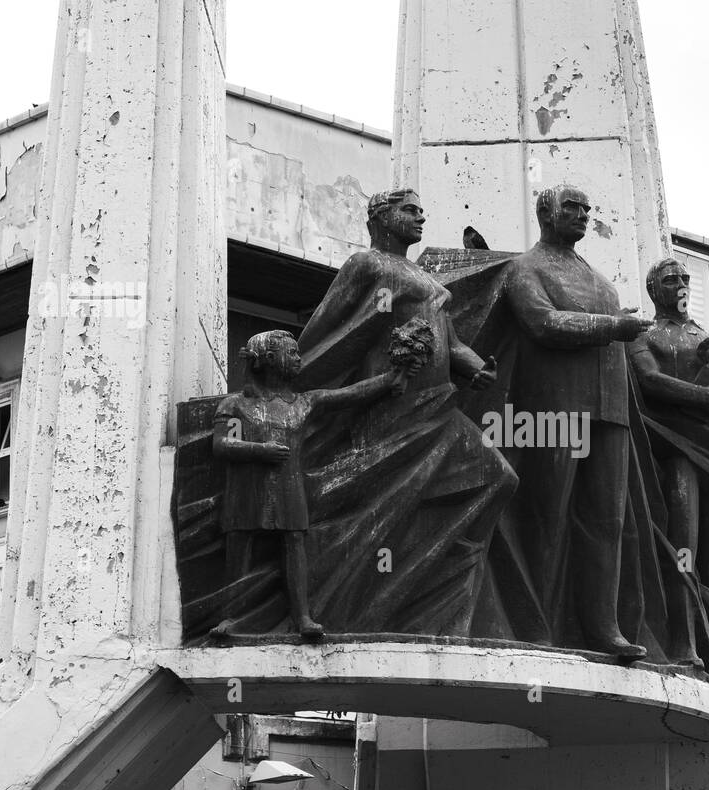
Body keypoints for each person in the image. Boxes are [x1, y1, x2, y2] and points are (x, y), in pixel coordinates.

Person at [293, 188, 516, 636]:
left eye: (421, 210)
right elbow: (328, 326)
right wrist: (290, 373)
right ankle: (364, 590)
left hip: (436, 406)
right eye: (410, 210)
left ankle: (436, 580)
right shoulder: (367, 265)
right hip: (391, 406)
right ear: (380, 217)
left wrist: (473, 366)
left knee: (498, 479)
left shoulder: (420, 275)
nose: (420, 217)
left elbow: (448, 340)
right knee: (384, 502)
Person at [498, 184, 655, 658]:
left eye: (588, 209)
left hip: (610, 411)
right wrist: (614, 327)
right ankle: (537, 624)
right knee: (549, 515)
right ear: (546, 212)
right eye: (573, 207)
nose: (584, 215)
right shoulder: (526, 268)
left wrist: (620, 326)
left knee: (608, 520)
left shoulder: (600, 278)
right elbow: (542, 322)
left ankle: (602, 626)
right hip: (555, 409)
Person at [210, 329, 406, 640]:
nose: (299, 358)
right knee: (240, 544)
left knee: (295, 543)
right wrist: (259, 451)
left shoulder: (303, 403)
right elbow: (221, 445)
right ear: (270, 360)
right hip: (247, 490)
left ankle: (302, 615)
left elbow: (349, 395)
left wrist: (389, 379)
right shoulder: (235, 405)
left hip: (289, 486)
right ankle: (233, 616)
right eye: (292, 353)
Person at [629, 258, 709, 691]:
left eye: (684, 278)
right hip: (675, 445)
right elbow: (650, 383)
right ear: (653, 289)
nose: (679, 284)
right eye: (669, 279)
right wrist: (704, 398)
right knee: (683, 545)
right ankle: (683, 645)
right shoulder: (643, 335)